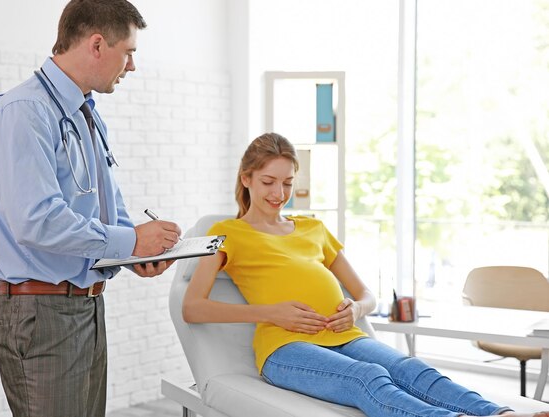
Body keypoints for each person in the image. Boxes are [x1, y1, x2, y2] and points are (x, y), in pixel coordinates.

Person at [182, 132, 549, 417]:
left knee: (411, 369)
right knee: (368, 378)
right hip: (284, 349)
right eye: (268, 182)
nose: (279, 193)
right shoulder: (227, 235)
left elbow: (366, 295)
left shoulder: (314, 228)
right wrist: (270, 312)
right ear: (246, 179)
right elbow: (193, 308)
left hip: (345, 335)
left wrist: (356, 311)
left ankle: (499, 413)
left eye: (288, 182)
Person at [0, 1, 181, 416]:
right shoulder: (25, 111)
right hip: (40, 312)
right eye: (129, 53)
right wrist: (129, 239)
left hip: (84, 306)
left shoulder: (85, 113)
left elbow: (101, 205)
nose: (131, 67)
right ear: (97, 44)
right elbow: (37, 220)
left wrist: (133, 253)